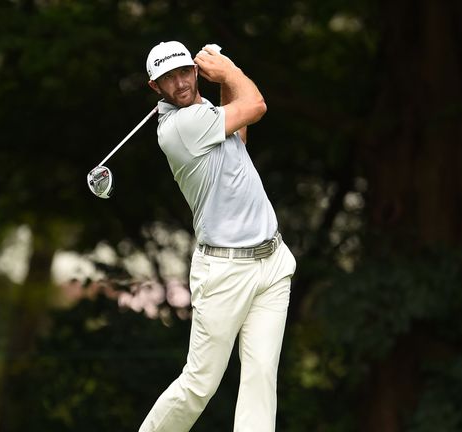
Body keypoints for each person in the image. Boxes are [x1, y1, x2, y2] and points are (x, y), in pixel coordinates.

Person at [138, 41, 296, 432]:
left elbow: (239, 135)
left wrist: (225, 82)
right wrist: (227, 69)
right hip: (224, 272)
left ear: (194, 70)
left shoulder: (204, 114)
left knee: (261, 377)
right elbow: (256, 106)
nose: (180, 83)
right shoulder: (180, 128)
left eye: (184, 72)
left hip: (272, 264)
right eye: (168, 79)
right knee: (199, 384)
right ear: (154, 86)